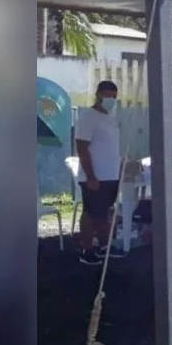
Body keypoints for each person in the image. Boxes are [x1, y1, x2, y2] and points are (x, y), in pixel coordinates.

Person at [74, 80, 126, 265]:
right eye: (107, 95)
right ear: (98, 95)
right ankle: (86, 249)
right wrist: (91, 176)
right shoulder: (88, 117)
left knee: (104, 213)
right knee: (91, 213)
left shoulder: (110, 119)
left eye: (114, 96)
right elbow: (81, 147)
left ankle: (104, 246)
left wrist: (119, 170)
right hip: (95, 177)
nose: (110, 99)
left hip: (110, 176)